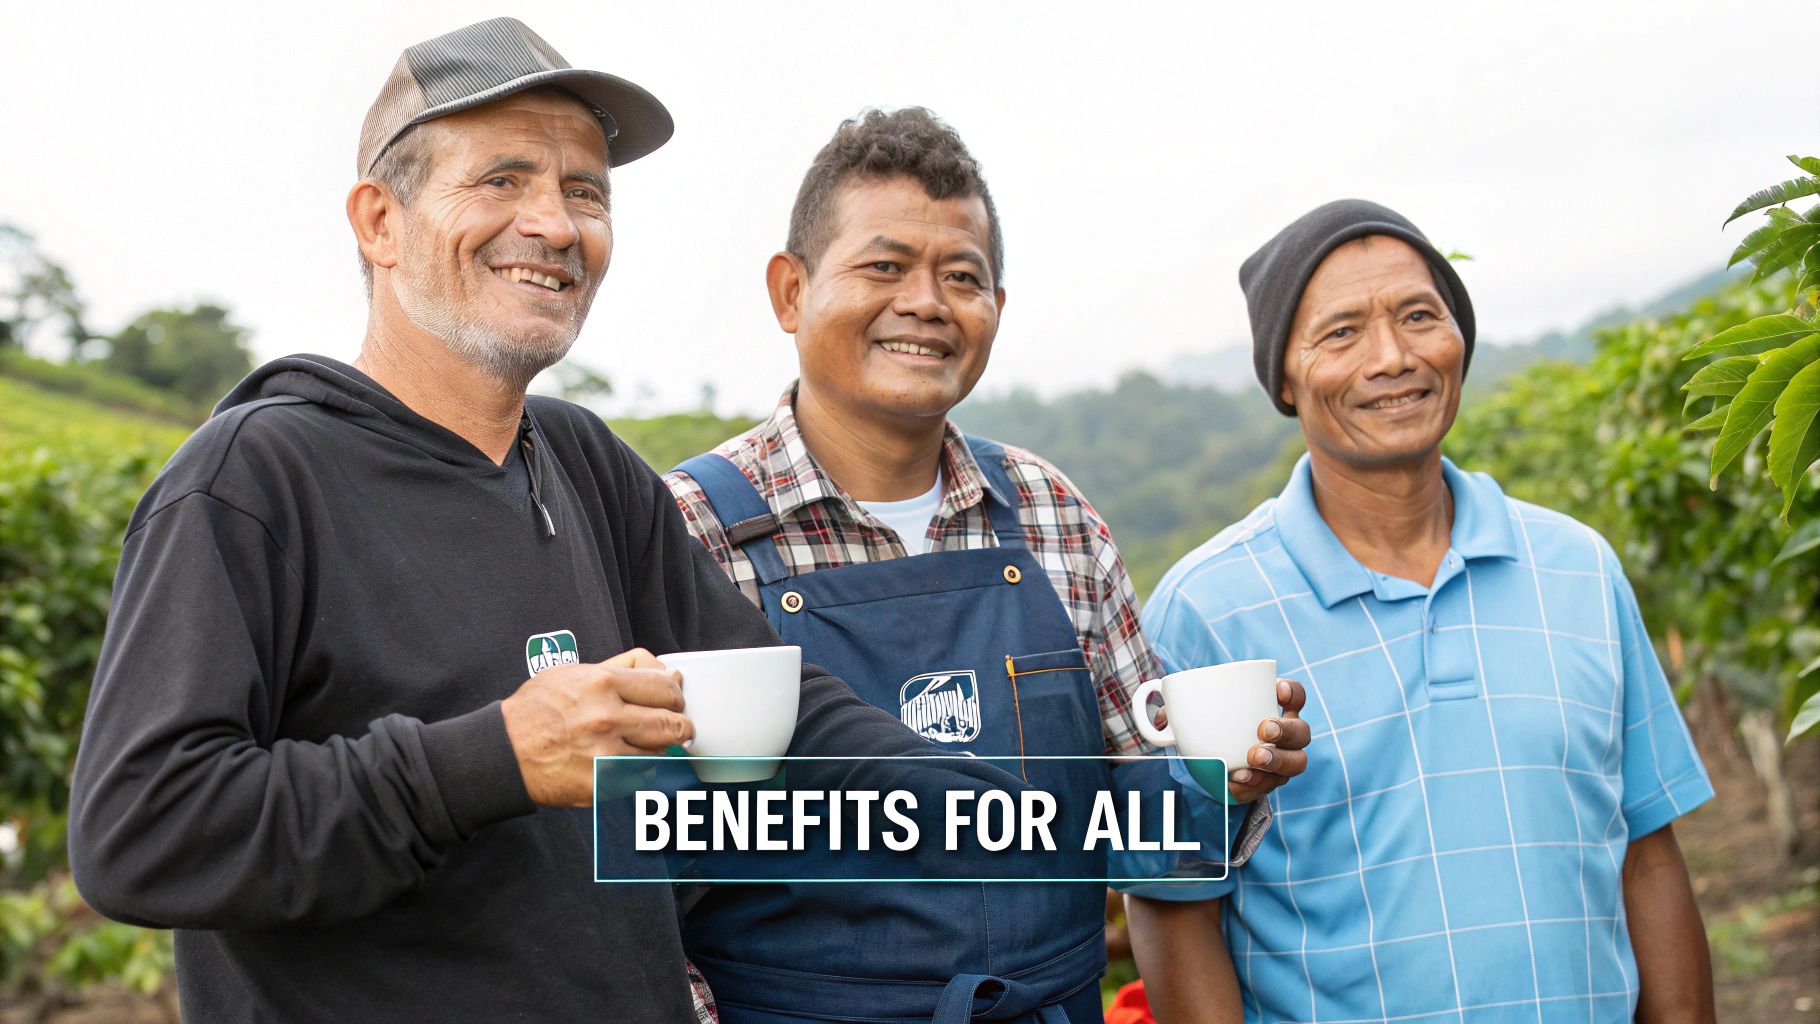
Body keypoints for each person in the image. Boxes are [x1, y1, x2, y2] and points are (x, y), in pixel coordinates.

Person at [67, 20, 991, 1021]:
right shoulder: (255, 480)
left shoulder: (582, 463)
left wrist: (1001, 801)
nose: (555, 225)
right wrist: (493, 758)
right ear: (380, 222)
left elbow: (783, 708)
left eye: (585, 191)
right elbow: (139, 832)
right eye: (501, 180)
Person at [664, 108, 1314, 1023]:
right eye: (884, 267)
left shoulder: (1053, 516)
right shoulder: (688, 534)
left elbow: (1144, 829)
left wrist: (1230, 779)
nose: (926, 302)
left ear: (995, 312)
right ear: (789, 291)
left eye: (962, 277)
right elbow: (622, 883)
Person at [1126, 200, 1716, 1022]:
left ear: (1459, 342)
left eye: (1419, 316)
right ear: (1285, 379)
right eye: (1342, 333)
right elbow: (1173, 898)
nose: (1394, 356)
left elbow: (1646, 853)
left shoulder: (1578, 569)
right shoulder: (1210, 610)